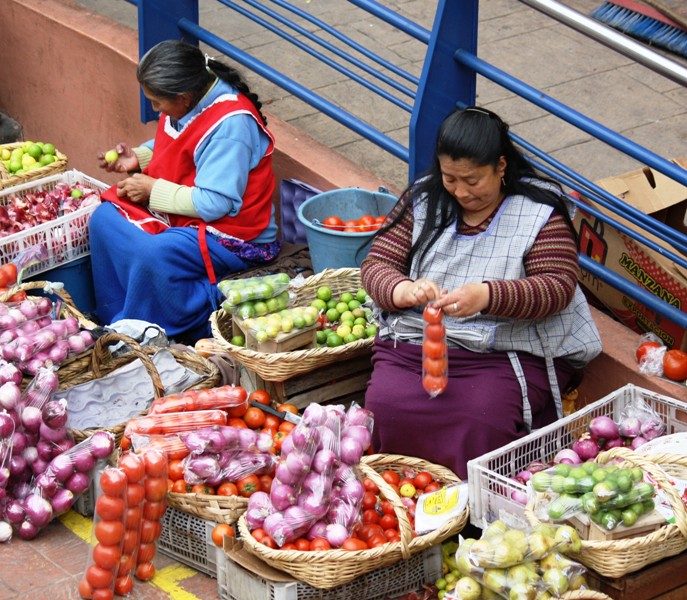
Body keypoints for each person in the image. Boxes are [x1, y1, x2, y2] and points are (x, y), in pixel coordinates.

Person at [361, 107, 602, 479]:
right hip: (420, 342)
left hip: (508, 349)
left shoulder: (538, 211)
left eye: (472, 180)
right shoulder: (425, 201)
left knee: (480, 416)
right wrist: (403, 289)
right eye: (450, 178)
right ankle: (409, 488)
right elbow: (376, 265)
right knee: (386, 404)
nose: (460, 191)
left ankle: (478, 500)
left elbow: (557, 286)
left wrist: (488, 296)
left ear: (501, 166)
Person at [90, 39, 280, 343]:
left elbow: (215, 203)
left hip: (232, 233)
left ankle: (161, 328)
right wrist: (139, 158)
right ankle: (120, 317)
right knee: (105, 220)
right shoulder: (186, 101)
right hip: (187, 209)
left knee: (154, 254)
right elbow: (183, 148)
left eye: (157, 102)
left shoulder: (232, 126)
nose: (154, 109)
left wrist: (152, 190)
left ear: (184, 97)